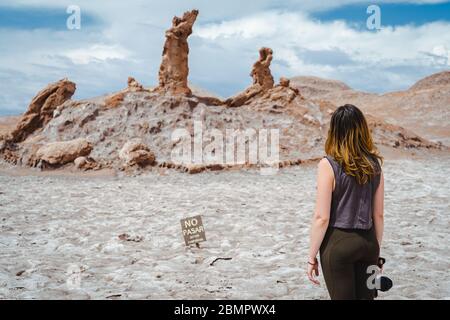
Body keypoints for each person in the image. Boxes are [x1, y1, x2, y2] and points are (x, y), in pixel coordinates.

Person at [307, 104, 384, 300]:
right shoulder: (375, 165)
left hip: (339, 245)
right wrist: (376, 252)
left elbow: (321, 218)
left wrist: (311, 257)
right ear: (362, 129)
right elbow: (378, 215)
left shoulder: (328, 165)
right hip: (369, 245)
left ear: (334, 131)